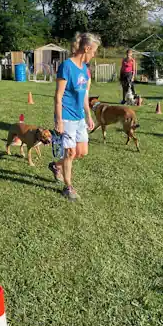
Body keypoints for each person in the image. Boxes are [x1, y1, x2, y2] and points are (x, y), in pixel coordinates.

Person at [48, 32, 101, 201]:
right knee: (70, 152)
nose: (94, 55)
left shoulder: (85, 70)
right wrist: (58, 120)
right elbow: (58, 96)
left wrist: (89, 116)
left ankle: (56, 166)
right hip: (66, 116)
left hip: (79, 117)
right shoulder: (66, 66)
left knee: (81, 152)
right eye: (94, 52)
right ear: (86, 48)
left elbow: (85, 95)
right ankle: (68, 187)